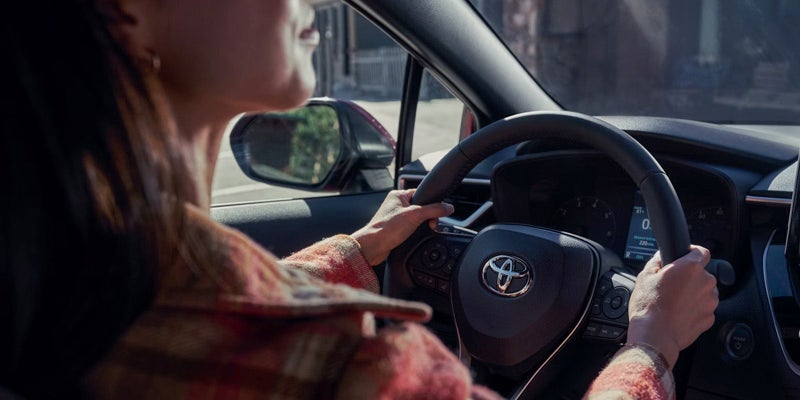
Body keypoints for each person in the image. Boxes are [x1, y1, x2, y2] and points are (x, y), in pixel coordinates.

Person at [0, 0, 718, 399]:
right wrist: (651, 344)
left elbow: (216, 307)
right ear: (126, 10)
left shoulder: (72, 289)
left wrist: (359, 251)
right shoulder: (347, 369)